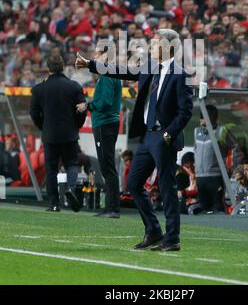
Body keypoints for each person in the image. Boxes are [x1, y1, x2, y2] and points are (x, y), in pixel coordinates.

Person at [76, 28, 193, 252]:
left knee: (167, 187)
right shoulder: (151, 67)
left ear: (168, 47)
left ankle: (173, 239)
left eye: (156, 42)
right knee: (133, 183)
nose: (151, 46)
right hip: (148, 135)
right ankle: (153, 230)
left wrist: (169, 133)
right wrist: (90, 64)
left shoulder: (180, 74)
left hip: (164, 136)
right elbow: (122, 70)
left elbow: (185, 111)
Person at [30, 54, 87, 212]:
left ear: (48, 68)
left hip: (50, 134)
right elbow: (81, 110)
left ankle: (54, 203)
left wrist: (44, 126)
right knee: (72, 164)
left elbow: (34, 113)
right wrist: (77, 126)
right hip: (69, 133)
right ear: (62, 67)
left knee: (51, 169)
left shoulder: (39, 89)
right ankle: (70, 187)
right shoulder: (74, 86)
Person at [76, 47, 122, 218]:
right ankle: (111, 207)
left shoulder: (108, 75)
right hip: (105, 124)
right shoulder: (109, 75)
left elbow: (104, 103)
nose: (94, 57)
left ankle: (113, 208)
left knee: (107, 166)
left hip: (105, 124)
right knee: (106, 166)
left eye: (97, 54)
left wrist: (87, 105)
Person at [194, 105, 242, 213]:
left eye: (204, 116)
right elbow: (195, 151)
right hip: (200, 177)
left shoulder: (222, 131)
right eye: (201, 116)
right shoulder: (197, 131)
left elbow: (237, 148)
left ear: (212, 117)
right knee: (202, 207)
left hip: (216, 176)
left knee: (217, 207)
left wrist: (233, 168)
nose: (201, 119)